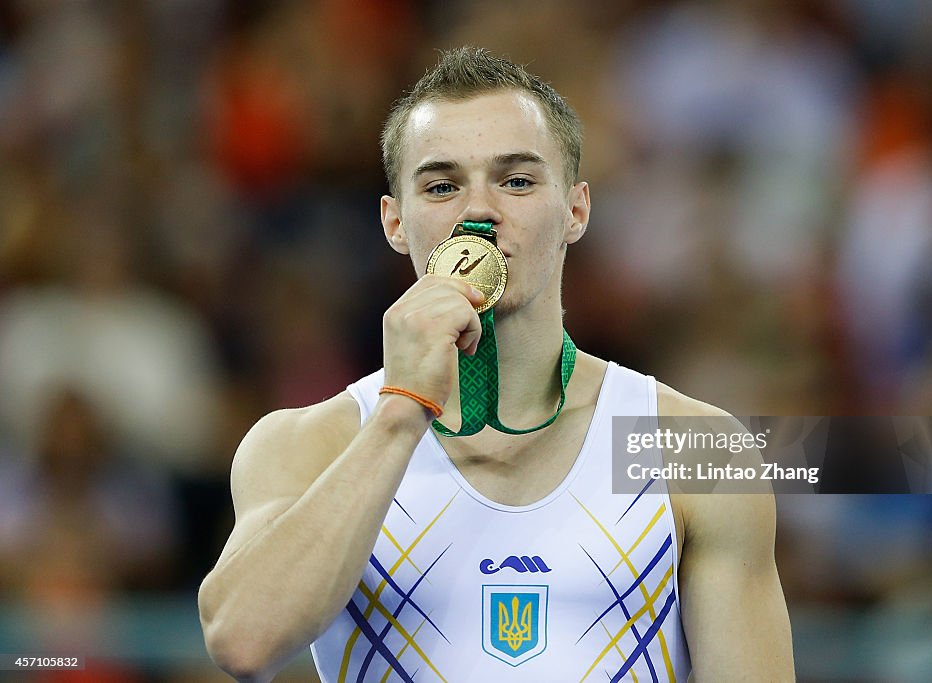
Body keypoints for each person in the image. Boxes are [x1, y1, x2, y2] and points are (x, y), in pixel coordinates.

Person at [198, 46, 795, 682]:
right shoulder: (309, 443)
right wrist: (400, 413)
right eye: (442, 185)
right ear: (395, 222)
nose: (479, 212)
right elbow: (243, 642)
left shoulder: (687, 448)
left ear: (576, 210)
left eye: (516, 180)